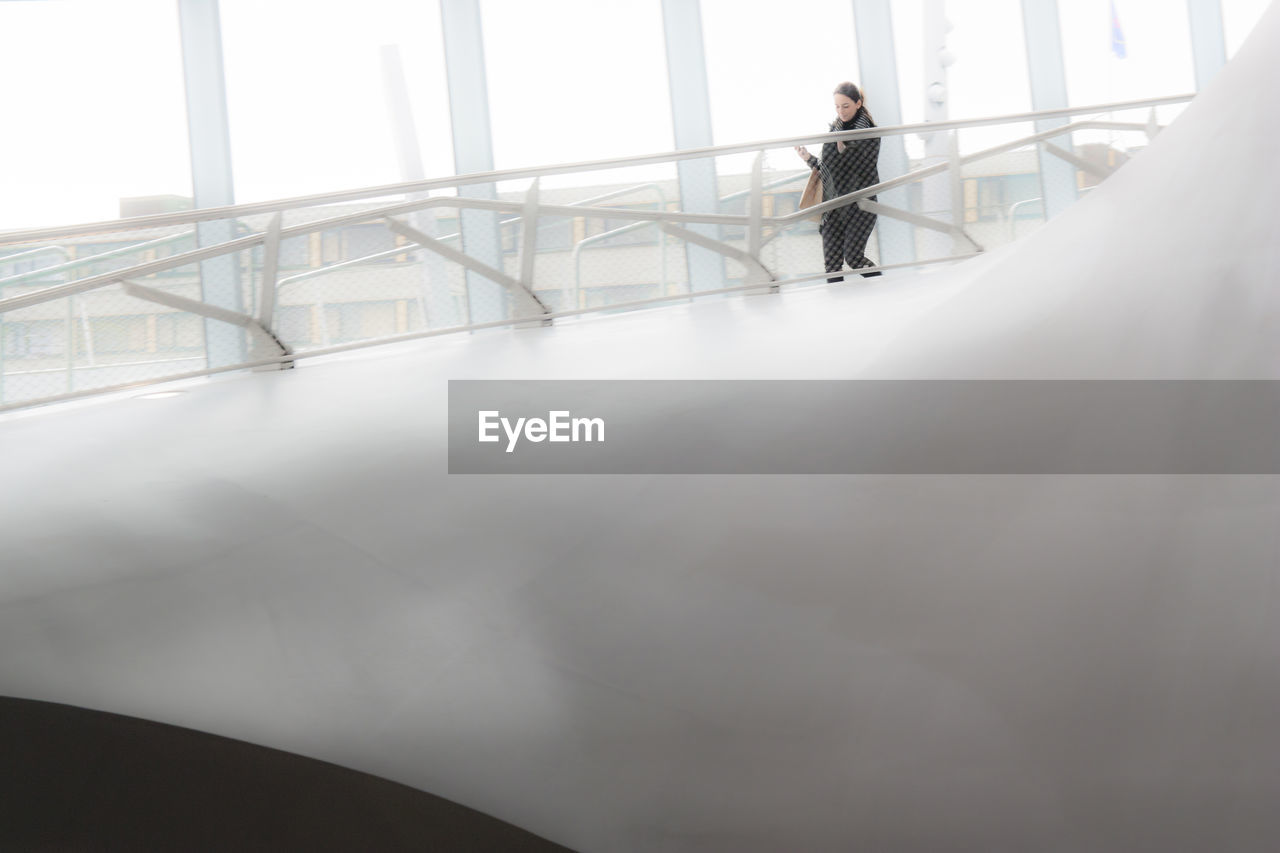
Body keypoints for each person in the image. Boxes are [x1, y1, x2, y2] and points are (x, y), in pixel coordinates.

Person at [795, 81, 882, 282]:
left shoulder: (868, 132)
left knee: (853, 257)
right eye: (837, 106)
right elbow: (828, 171)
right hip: (834, 206)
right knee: (832, 267)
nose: (841, 111)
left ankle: (882, 286)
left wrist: (843, 148)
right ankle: (838, 307)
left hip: (860, 205)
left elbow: (863, 168)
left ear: (858, 104)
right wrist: (808, 158)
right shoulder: (835, 131)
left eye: (846, 106)